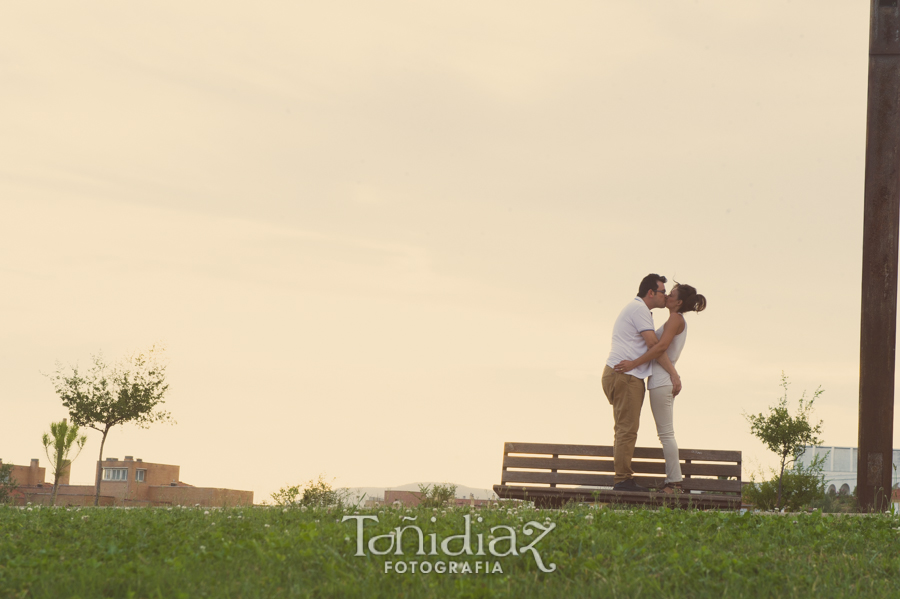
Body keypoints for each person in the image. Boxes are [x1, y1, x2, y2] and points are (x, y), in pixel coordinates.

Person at [614, 283, 707, 494]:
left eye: (671, 295)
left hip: (661, 381)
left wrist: (633, 363)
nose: (667, 297)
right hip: (661, 380)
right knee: (665, 433)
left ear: (679, 302)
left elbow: (660, 348)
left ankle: (674, 483)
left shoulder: (676, 318)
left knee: (666, 434)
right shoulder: (674, 319)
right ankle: (673, 482)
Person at [602, 273, 680, 493]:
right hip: (625, 376)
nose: (666, 296)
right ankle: (623, 480)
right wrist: (674, 374)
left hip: (622, 374)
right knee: (627, 429)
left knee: (625, 427)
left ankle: (623, 478)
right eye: (663, 292)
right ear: (651, 293)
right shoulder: (640, 310)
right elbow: (655, 346)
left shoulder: (638, 310)